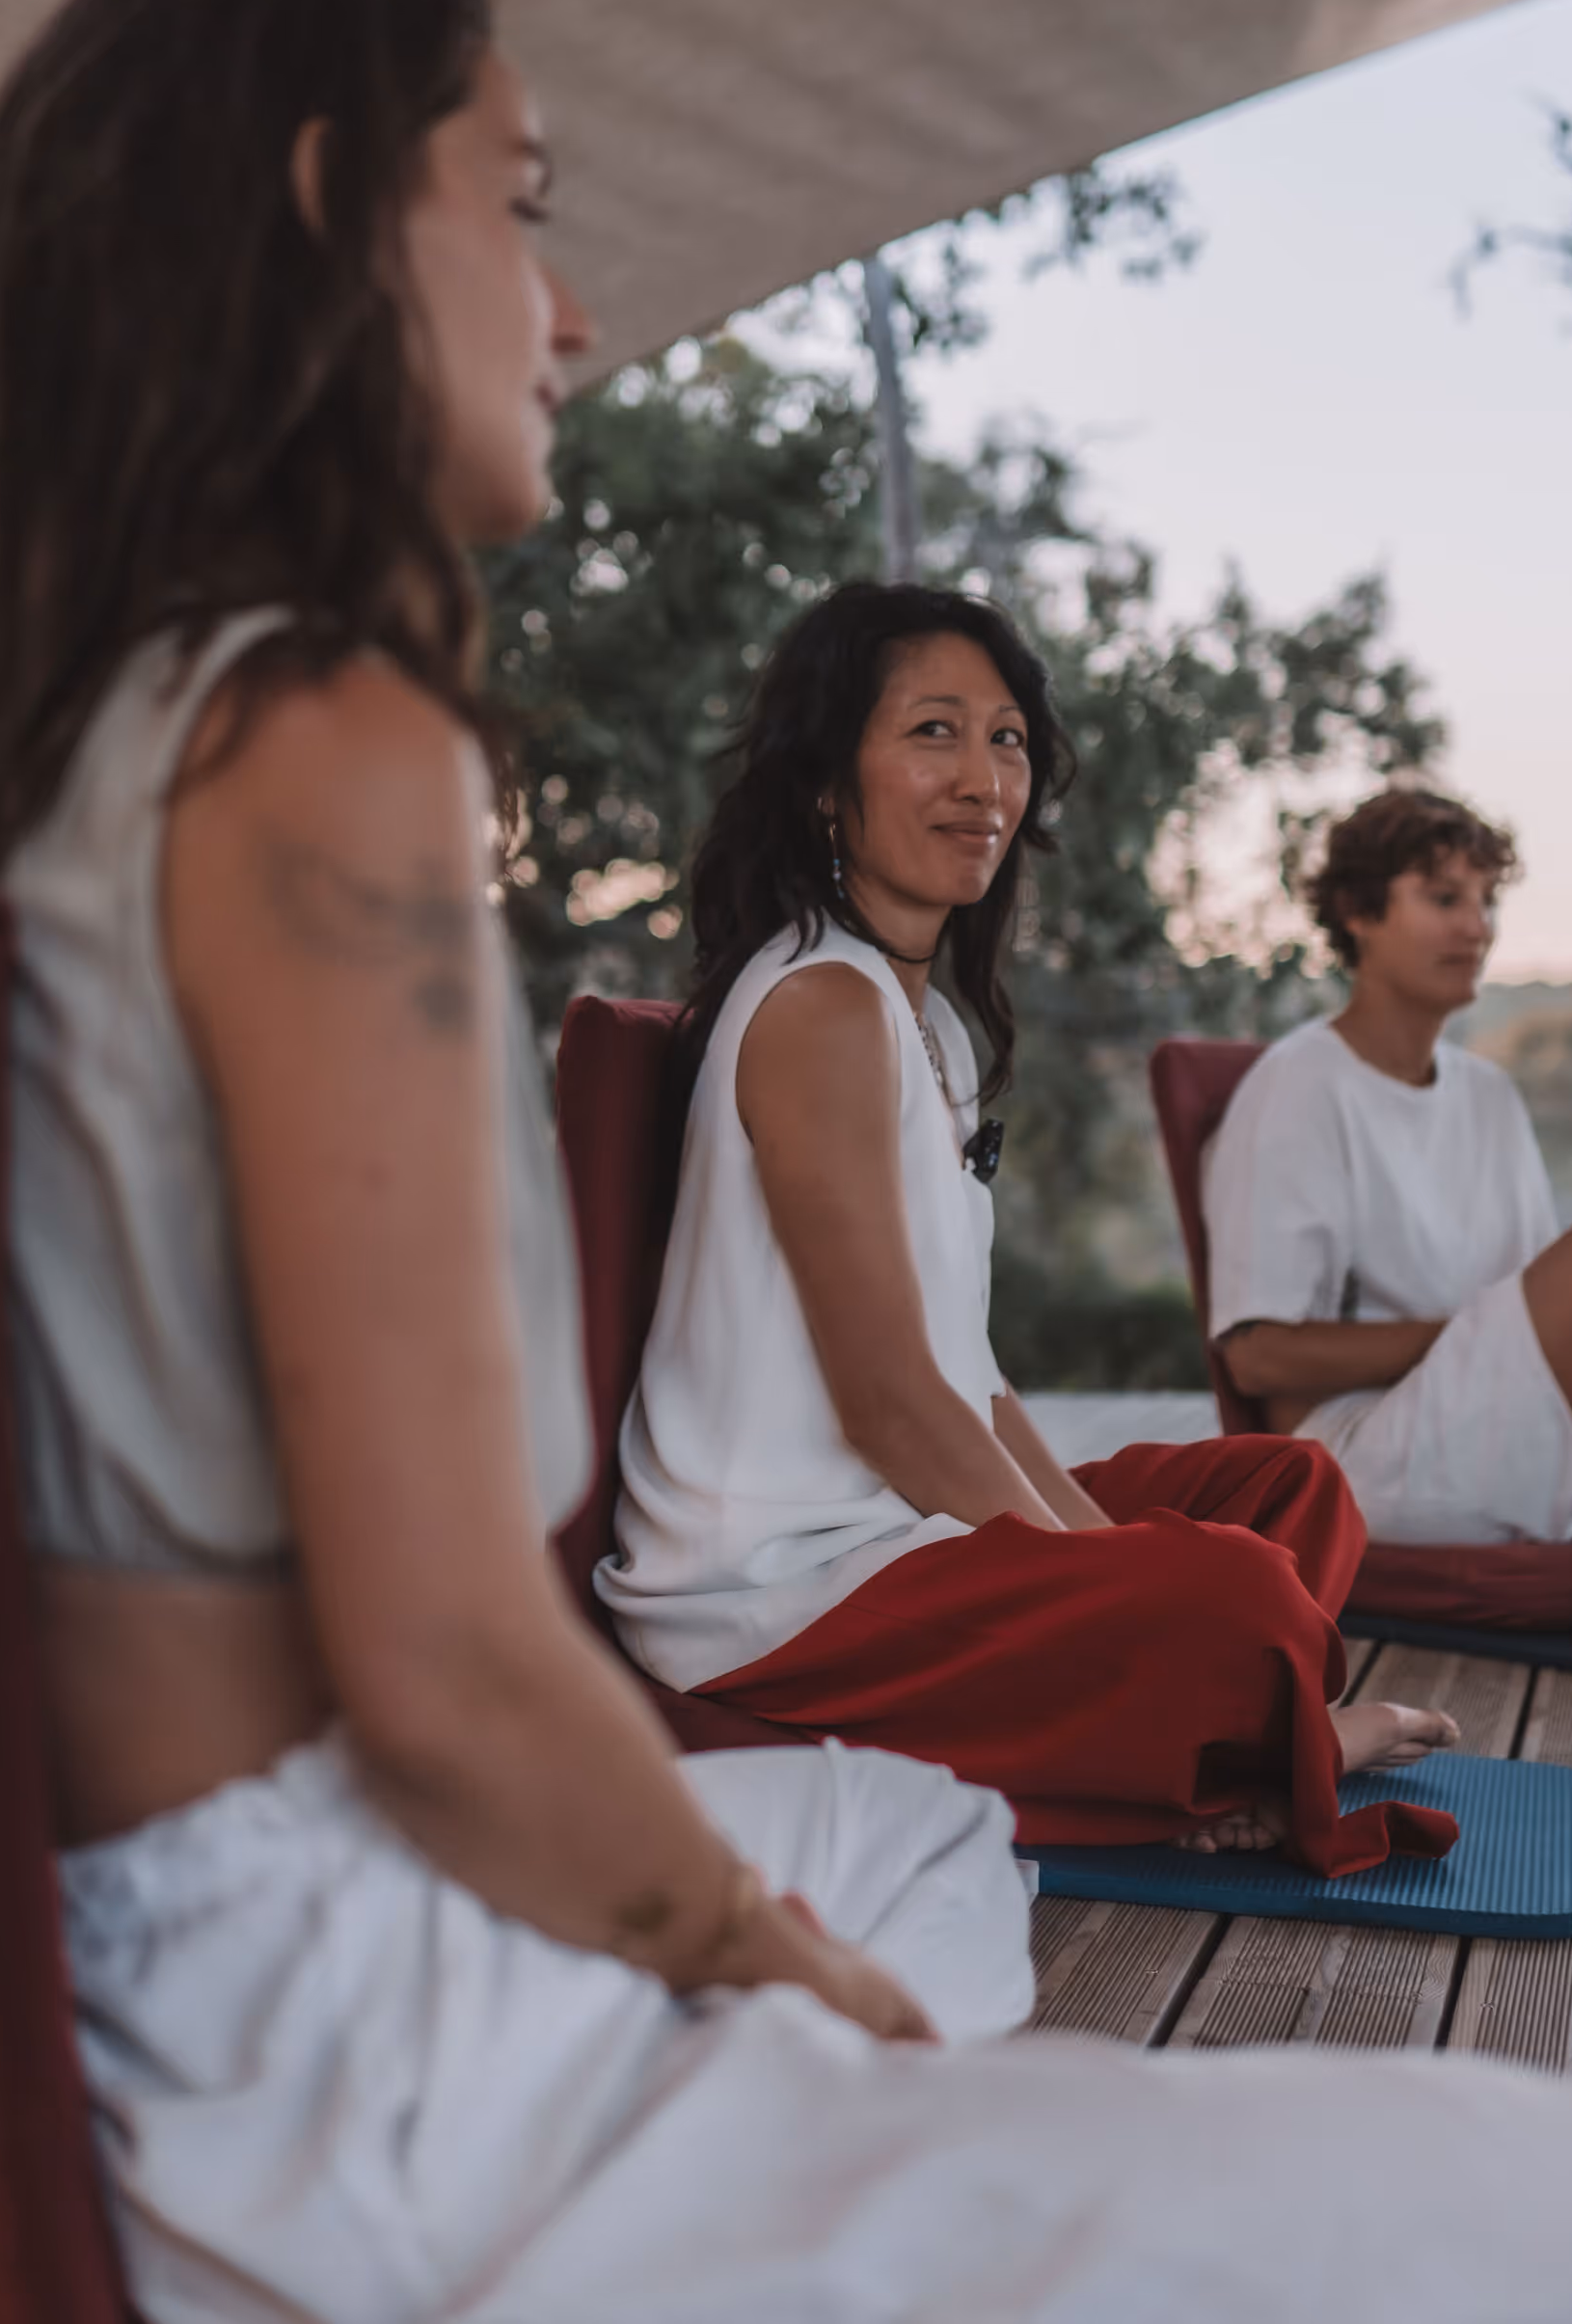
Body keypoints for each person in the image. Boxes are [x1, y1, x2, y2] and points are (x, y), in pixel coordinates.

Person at [0, 0, 1572, 2323]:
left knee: (922, 1854)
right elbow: (447, 1662)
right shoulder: (315, 742)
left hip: (225, 2045)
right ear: (324, 210)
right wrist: (765, 1972)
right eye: (513, 204)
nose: (572, 306)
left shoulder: (93, 776)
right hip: (382, 2089)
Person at [602, 581, 1460, 1870]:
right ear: (828, 782)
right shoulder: (821, 1008)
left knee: (1290, 1490)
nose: (982, 779)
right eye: (932, 732)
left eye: (1005, 739)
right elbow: (894, 1408)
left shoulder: (928, 1027)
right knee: (1229, 1597)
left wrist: (1109, 1565)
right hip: (777, 1595)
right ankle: (1252, 1743)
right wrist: (1117, 1587)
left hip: (901, 1539)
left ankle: (1209, 1737)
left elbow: (970, 1378)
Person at [1203, 786, 1572, 1665]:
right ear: (1358, 913)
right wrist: (1474, 1335)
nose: (1478, 927)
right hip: (1368, 1459)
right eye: (1444, 898)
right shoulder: (1299, 1088)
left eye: (1487, 901)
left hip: (1491, 1411)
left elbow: (1527, 1317)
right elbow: (1260, 1358)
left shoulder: (1488, 1096)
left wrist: (1539, 1334)